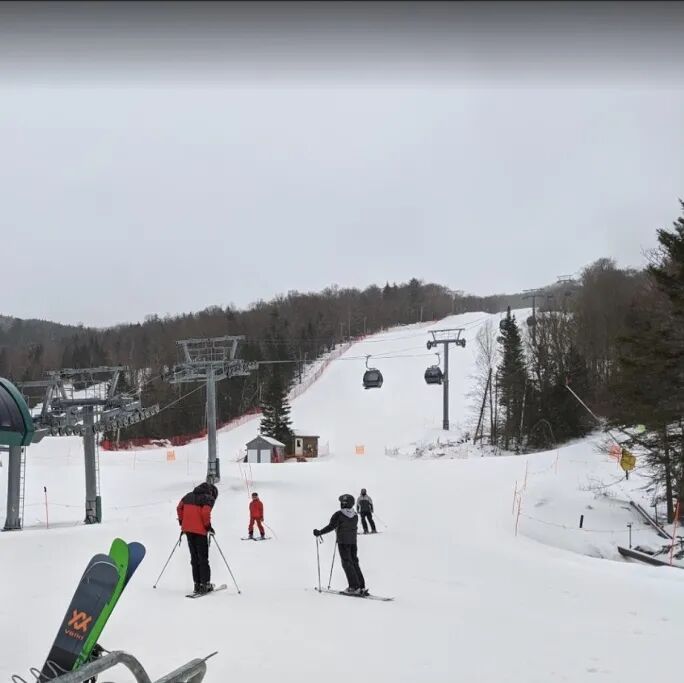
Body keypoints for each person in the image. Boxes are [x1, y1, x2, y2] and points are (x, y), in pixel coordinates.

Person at [313, 494, 368, 596]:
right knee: (354, 563)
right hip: (353, 543)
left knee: (347, 563)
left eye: (342, 502)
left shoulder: (339, 514)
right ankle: (361, 586)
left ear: (344, 503)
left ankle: (354, 587)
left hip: (343, 542)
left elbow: (331, 526)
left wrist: (320, 532)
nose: (341, 504)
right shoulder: (355, 515)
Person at [177, 482, 218, 594]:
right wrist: (208, 527)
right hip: (200, 532)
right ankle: (205, 584)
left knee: (194, 558)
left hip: (188, 530)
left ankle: (197, 584)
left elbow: (179, 508)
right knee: (203, 558)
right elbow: (205, 512)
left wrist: (182, 522)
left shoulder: (187, 496)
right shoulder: (208, 498)